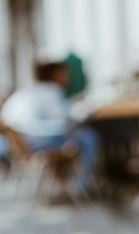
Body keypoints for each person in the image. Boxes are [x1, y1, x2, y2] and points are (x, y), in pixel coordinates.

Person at [0, 58, 100, 197]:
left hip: (24, 143)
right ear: (57, 74)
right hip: (39, 143)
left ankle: (67, 181)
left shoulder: (28, 91)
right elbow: (64, 121)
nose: (67, 77)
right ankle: (80, 183)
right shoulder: (51, 91)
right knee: (87, 137)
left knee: (76, 136)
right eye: (65, 73)